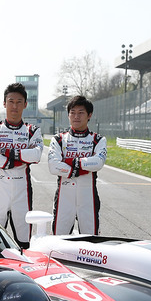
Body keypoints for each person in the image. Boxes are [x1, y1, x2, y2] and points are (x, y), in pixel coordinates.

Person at [0, 82, 43, 249]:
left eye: (18, 102)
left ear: (25, 104)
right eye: (11, 101)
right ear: (4, 103)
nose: (14, 106)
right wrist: (18, 158)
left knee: (25, 242)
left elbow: (36, 155)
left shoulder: (32, 130)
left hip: (22, 191)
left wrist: (6, 153)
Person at [47, 95, 107, 235]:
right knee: (58, 241)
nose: (76, 116)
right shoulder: (59, 139)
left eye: (81, 112)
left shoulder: (98, 140)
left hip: (89, 198)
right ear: (68, 115)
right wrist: (82, 167)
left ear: (89, 115)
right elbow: (53, 166)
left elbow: (98, 163)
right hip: (64, 197)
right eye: (72, 112)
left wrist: (72, 162)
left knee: (90, 243)